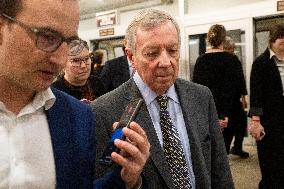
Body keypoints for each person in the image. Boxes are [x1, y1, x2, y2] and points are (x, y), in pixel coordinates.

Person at [0, 0, 150, 188]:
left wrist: (125, 178)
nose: (60, 59)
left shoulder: (78, 117)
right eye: (47, 37)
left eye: (69, 42)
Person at [92, 9, 234, 189]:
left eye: (173, 50)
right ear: (131, 57)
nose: (166, 62)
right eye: (152, 53)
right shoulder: (104, 111)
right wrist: (131, 182)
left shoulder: (201, 97)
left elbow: (220, 169)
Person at [193, 24, 247, 156]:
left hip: (207, 112)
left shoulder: (200, 60)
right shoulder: (232, 60)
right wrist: (225, 115)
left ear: (208, 40)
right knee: (223, 150)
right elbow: (235, 88)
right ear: (223, 40)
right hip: (229, 112)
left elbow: (196, 90)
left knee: (210, 150)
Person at [249, 24, 284, 188]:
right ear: (272, 40)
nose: (283, 40)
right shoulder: (261, 63)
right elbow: (255, 94)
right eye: (279, 36)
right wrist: (255, 121)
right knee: (270, 162)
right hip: (269, 121)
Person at [223, 36, 249, 158]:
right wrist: (243, 98)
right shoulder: (231, 59)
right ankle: (226, 151)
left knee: (242, 122)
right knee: (230, 126)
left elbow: (240, 79)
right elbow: (241, 79)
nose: (233, 50)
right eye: (232, 48)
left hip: (233, 98)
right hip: (229, 99)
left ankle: (237, 147)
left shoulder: (232, 59)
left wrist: (243, 97)